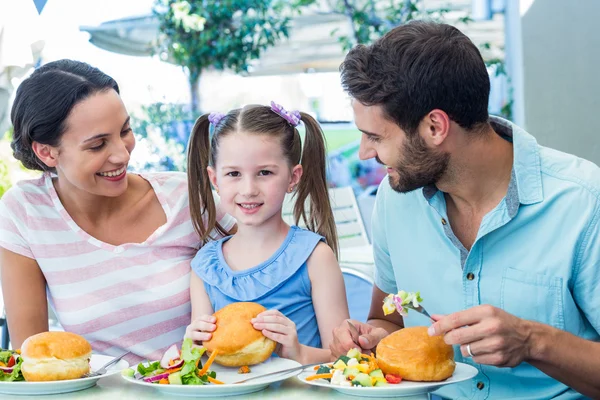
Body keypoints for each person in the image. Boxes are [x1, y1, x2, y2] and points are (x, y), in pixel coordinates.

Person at [330, 21, 600, 399]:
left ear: (435, 126)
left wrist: (533, 341)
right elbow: (385, 319)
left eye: (375, 136)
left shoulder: (584, 202)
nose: (363, 153)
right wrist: (373, 338)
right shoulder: (394, 200)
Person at [0, 60, 235, 363]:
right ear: (47, 152)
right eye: (97, 145)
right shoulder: (25, 212)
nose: (122, 154)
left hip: (199, 387)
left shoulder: (185, 197)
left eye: (125, 130)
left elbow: (270, 267)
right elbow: (33, 358)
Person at [184, 103, 350, 364]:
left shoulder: (315, 257)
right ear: (215, 179)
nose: (248, 189)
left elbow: (347, 360)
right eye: (234, 174)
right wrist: (192, 347)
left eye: (264, 172)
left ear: (293, 177)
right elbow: (204, 359)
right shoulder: (204, 266)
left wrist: (299, 352)